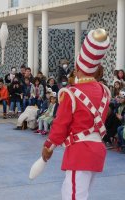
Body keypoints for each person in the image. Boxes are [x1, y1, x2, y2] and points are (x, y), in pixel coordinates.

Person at [41, 29, 110, 200]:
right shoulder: (105, 91)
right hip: (97, 151)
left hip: (79, 152)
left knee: (72, 196)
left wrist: (49, 146)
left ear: (78, 67)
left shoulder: (70, 93)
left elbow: (60, 125)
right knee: (82, 194)